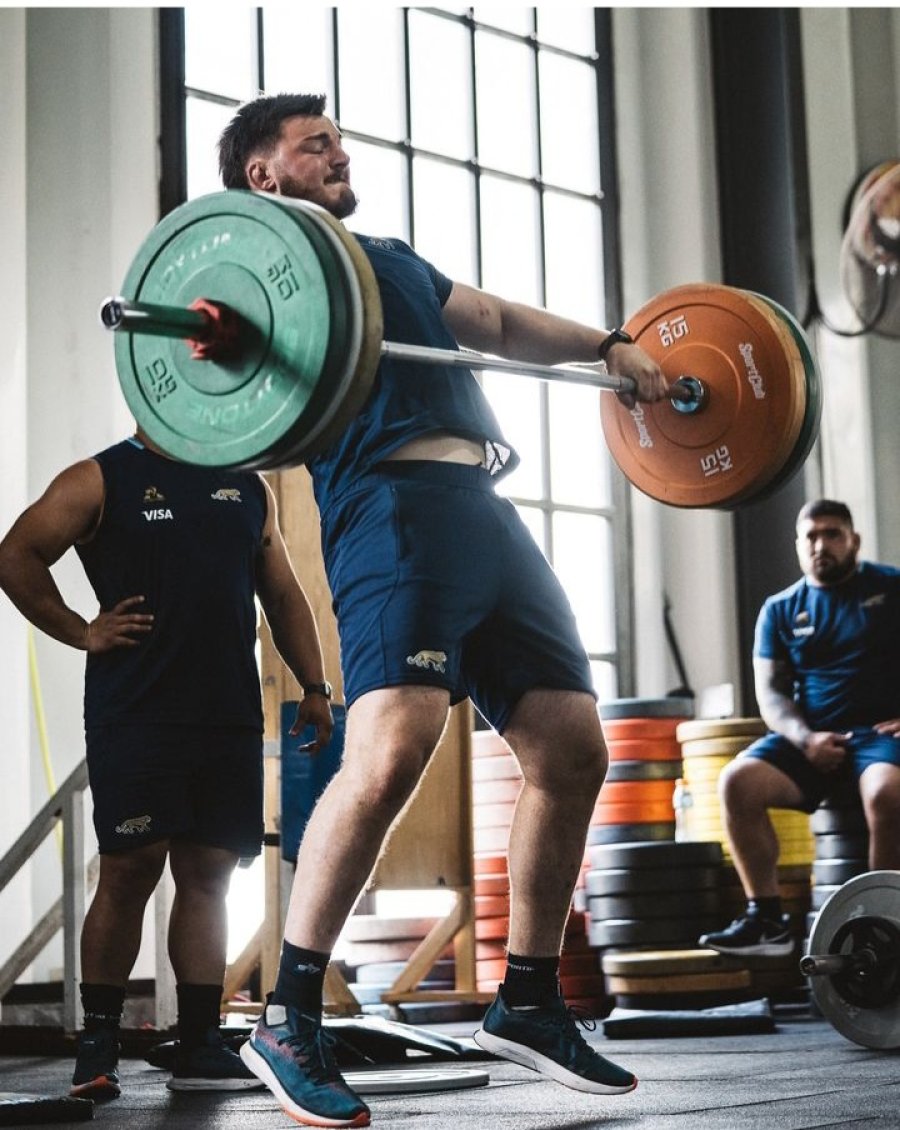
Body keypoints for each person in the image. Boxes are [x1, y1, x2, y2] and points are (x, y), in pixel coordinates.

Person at [216, 92, 669, 1129]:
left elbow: (500, 324)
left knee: (571, 744)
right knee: (392, 748)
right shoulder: (254, 279)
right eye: (312, 142)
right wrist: (216, 342)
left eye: (338, 136)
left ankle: (529, 997)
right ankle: (288, 1015)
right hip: (389, 508)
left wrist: (613, 345)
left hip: (483, 510)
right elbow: (226, 390)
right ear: (263, 176)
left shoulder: (395, 259)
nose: (338, 149)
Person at [0, 430, 334, 1099]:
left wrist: (316, 686)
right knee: (130, 869)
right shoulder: (99, 478)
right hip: (138, 710)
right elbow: (16, 555)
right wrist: (80, 629)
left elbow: (284, 592)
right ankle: (96, 1046)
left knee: (209, 874)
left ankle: (202, 1041)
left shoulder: (247, 485)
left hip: (227, 711)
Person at [699, 499, 900, 958]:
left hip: (879, 737)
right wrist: (805, 738)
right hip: (811, 738)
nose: (820, 545)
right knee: (736, 782)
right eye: (810, 536)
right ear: (798, 545)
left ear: (854, 541)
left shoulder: (890, 588)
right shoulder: (780, 609)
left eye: (832, 534)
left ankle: (882, 923)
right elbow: (770, 694)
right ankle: (767, 918)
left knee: (886, 795)